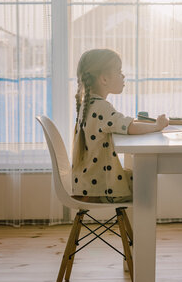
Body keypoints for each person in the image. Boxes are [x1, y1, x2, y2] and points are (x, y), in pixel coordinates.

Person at [71, 49, 168, 203]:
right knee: (145, 180)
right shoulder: (101, 107)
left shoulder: (89, 104)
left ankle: (138, 225)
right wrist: (156, 126)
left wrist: (144, 123)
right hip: (101, 188)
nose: (123, 76)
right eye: (119, 71)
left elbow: (122, 123)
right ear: (104, 79)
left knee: (138, 176)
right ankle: (143, 226)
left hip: (87, 183)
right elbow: (129, 128)